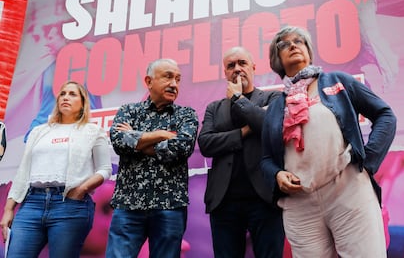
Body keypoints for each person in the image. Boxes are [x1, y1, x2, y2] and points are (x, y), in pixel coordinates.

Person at [261, 26, 397, 258]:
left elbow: (385, 116)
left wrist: (367, 161)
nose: (293, 45)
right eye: (284, 44)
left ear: (308, 50)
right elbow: (265, 159)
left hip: (348, 190)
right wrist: (276, 175)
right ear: (277, 59)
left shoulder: (337, 80)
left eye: (299, 41)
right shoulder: (274, 107)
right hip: (300, 204)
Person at [0, 80, 112, 258]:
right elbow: (23, 172)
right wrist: (8, 210)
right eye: (62, 94)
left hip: (71, 205)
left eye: (72, 94)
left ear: (83, 103)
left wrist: (82, 189)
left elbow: (105, 169)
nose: (65, 97)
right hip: (32, 203)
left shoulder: (93, 131)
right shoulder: (39, 131)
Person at [105, 58, 199, 258]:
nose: (174, 84)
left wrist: (137, 141)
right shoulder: (128, 111)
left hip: (170, 205)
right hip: (128, 204)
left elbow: (181, 147)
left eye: (178, 79)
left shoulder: (186, 115)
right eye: (167, 77)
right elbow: (119, 141)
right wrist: (161, 135)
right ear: (149, 81)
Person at [198, 46, 285, 258]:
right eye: (231, 66)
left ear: (253, 68)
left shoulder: (272, 99)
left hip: (264, 199)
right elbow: (206, 144)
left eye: (242, 63)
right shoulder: (214, 108)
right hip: (224, 202)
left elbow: (270, 126)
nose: (237, 69)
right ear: (225, 73)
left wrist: (238, 100)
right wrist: (245, 131)